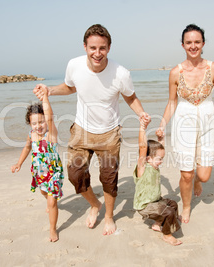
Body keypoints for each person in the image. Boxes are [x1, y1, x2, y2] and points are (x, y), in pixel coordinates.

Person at [33, 24, 149, 235]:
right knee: (75, 174)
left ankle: (109, 216)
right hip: (81, 131)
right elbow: (70, 87)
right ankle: (95, 204)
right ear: (85, 46)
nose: (97, 53)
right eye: (93, 48)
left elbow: (130, 96)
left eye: (102, 48)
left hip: (109, 134)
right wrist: (50, 90)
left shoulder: (120, 73)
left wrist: (141, 112)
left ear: (109, 48)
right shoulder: (74, 65)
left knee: (109, 179)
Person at [156, 24, 214, 224]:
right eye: (189, 42)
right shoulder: (175, 72)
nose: (193, 46)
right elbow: (172, 101)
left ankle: (196, 181)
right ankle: (186, 206)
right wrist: (162, 124)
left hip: (208, 120)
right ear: (183, 45)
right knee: (186, 173)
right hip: (183, 122)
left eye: (197, 42)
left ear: (203, 44)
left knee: (203, 175)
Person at [11, 86, 64, 242]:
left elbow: (49, 117)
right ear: (29, 124)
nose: (39, 125)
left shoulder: (51, 134)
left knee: (52, 200)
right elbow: (27, 148)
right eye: (34, 123)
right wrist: (19, 163)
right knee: (43, 192)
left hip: (53, 173)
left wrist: (45, 98)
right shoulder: (31, 135)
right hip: (39, 172)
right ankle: (47, 198)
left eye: (41, 121)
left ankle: (53, 229)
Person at [133, 115, 182, 246]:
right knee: (168, 212)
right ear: (148, 158)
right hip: (145, 205)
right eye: (159, 159)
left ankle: (158, 223)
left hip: (156, 200)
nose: (161, 161)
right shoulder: (143, 167)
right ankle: (167, 235)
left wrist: (161, 139)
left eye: (161, 159)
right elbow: (143, 148)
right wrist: (142, 127)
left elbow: (160, 149)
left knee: (173, 204)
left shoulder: (154, 166)